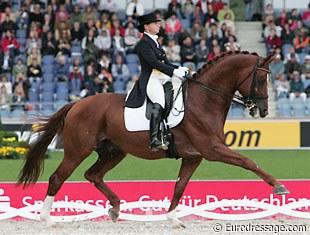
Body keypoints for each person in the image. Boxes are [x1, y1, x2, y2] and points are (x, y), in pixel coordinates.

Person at [124, 12, 188, 151]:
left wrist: (178, 68)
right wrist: (174, 72)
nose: (159, 25)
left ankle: (166, 130)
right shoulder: (143, 44)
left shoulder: (155, 42)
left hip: (162, 78)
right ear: (146, 26)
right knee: (160, 101)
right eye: (155, 23)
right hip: (151, 78)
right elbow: (153, 62)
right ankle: (154, 138)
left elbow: (165, 61)